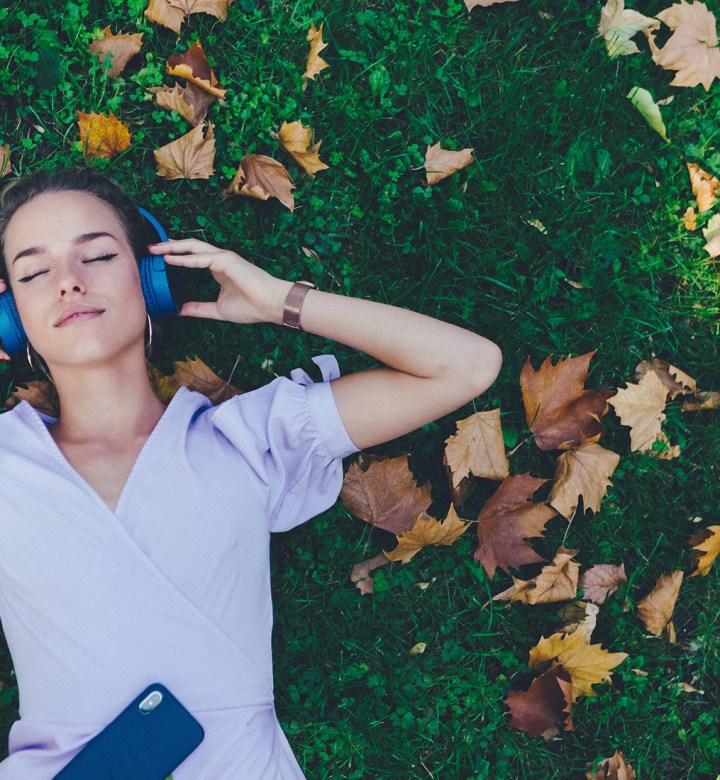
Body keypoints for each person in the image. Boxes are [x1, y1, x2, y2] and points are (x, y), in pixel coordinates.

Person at [0, 168, 501, 778]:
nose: (69, 284)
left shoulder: (249, 441)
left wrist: (280, 303)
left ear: (150, 278)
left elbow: (466, 366)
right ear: (12, 316)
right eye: (33, 273)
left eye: (98, 255)